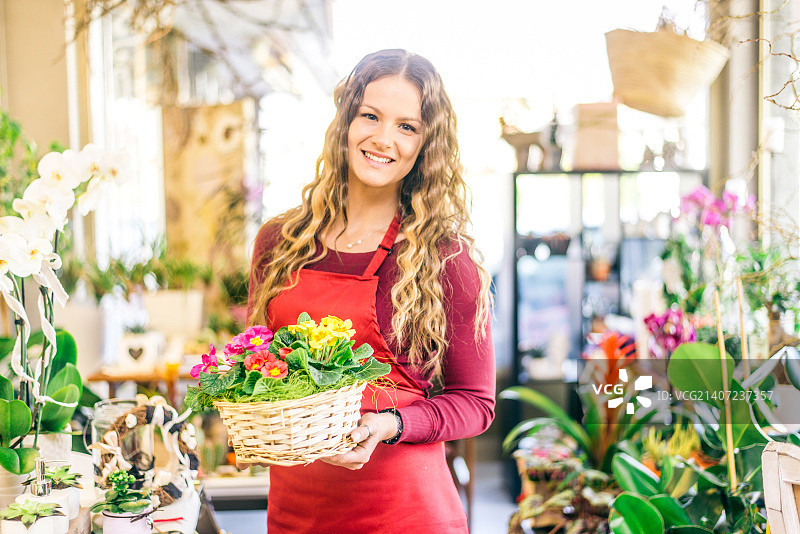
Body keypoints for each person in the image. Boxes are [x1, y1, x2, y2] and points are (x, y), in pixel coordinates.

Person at [246, 49, 495, 534]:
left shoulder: (445, 258)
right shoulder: (279, 241)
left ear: (427, 144)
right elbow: (259, 364)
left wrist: (389, 424)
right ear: (345, 121)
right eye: (371, 116)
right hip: (297, 511)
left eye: (408, 126)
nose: (383, 139)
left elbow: (476, 402)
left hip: (404, 513)